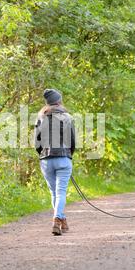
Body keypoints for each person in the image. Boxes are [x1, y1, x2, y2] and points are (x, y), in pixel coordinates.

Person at [34, 89, 76, 236]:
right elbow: (72, 141)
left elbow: (36, 143)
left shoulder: (40, 117)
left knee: (54, 193)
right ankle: (57, 219)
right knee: (61, 192)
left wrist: (43, 155)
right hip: (63, 158)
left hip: (46, 160)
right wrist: (69, 155)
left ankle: (61, 220)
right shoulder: (67, 117)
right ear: (59, 101)